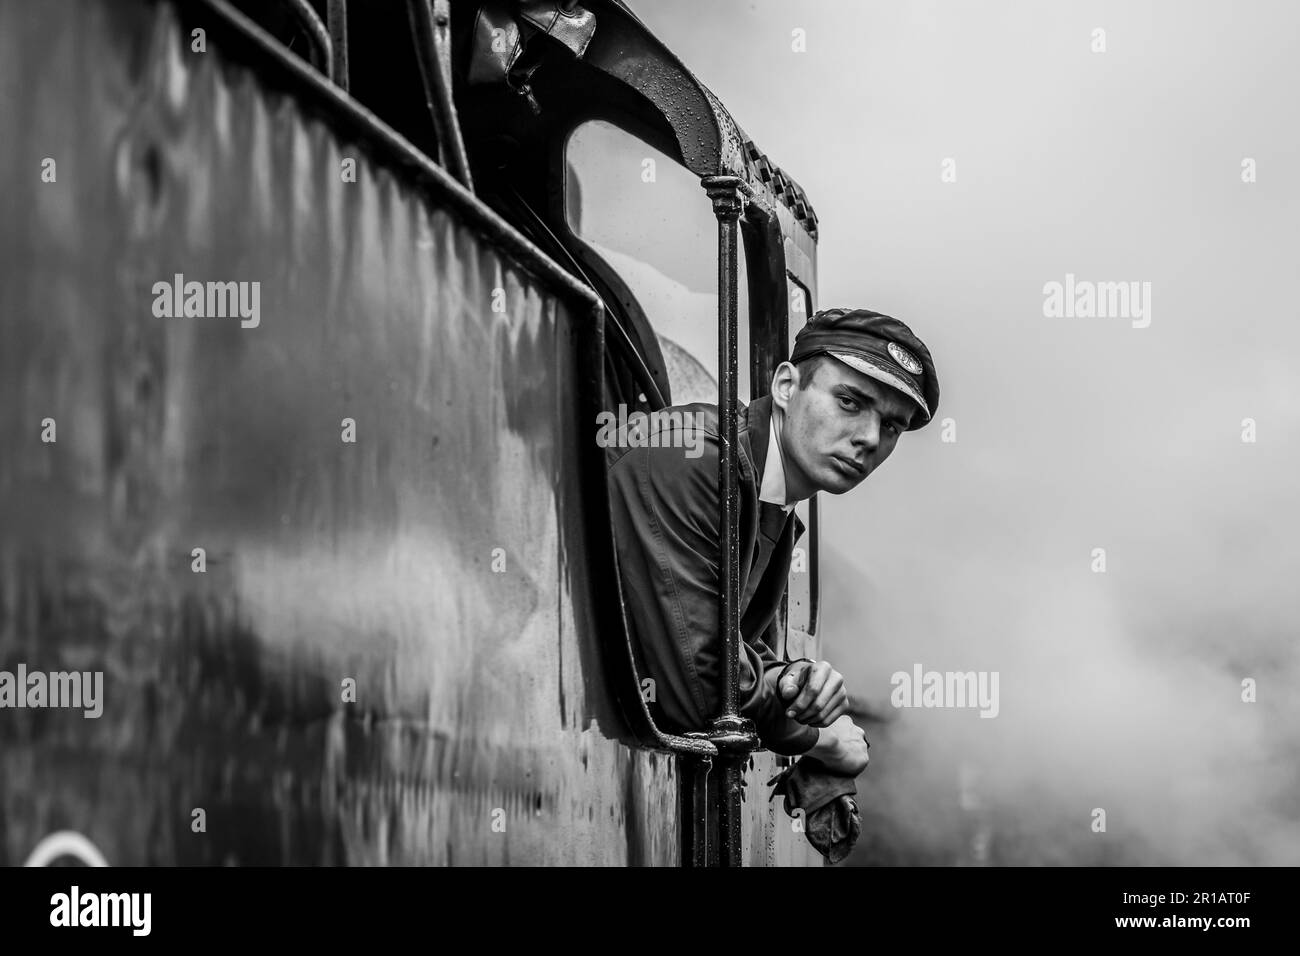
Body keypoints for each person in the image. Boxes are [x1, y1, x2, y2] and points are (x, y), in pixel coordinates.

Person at [607, 308, 941, 776]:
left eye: (891, 427)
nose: (868, 438)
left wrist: (790, 679)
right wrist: (819, 739)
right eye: (849, 401)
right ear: (786, 386)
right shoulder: (694, 460)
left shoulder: (771, 502)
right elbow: (703, 692)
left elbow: (731, 645)